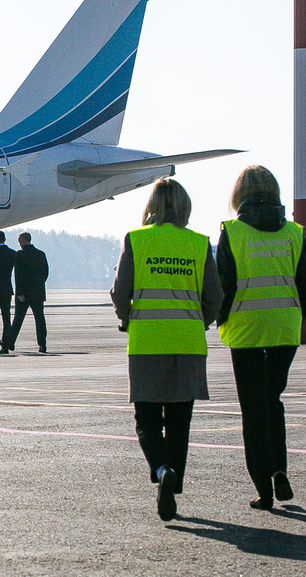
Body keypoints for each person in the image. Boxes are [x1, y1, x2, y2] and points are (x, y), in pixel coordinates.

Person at [111, 179, 223, 521]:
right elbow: (214, 296)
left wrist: (127, 318)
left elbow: (120, 292)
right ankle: (173, 482)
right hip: (187, 342)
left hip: (146, 341)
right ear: (185, 207)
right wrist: (199, 320)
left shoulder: (136, 240)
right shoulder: (198, 244)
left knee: (146, 420)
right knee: (179, 421)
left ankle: (161, 471)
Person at [216, 165, 306, 511]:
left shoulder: (233, 232)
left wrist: (222, 319)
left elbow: (224, 286)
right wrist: (294, 316)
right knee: (272, 400)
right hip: (284, 329)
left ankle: (264, 488)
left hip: (245, 330)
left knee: (252, 409)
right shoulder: (294, 232)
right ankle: (279, 470)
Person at [2, 231, 49, 353]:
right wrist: (38, 285)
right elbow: (45, 273)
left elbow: (19, 276)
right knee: (39, 319)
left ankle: (10, 342)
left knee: (18, 319)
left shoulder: (20, 254)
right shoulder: (40, 254)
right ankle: (42, 344)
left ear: (22, 241)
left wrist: (19, 294)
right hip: (38, 292)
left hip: (24, 293)